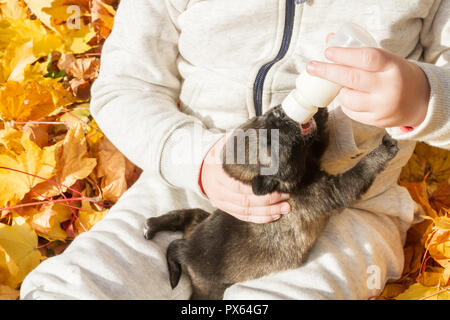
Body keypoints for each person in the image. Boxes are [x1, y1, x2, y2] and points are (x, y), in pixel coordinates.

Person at [21, 0, 450, 299]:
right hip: (188, 186)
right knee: (84, 284)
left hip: (345, 208)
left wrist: (422, 96)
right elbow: (126, 86)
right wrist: (198, 160)